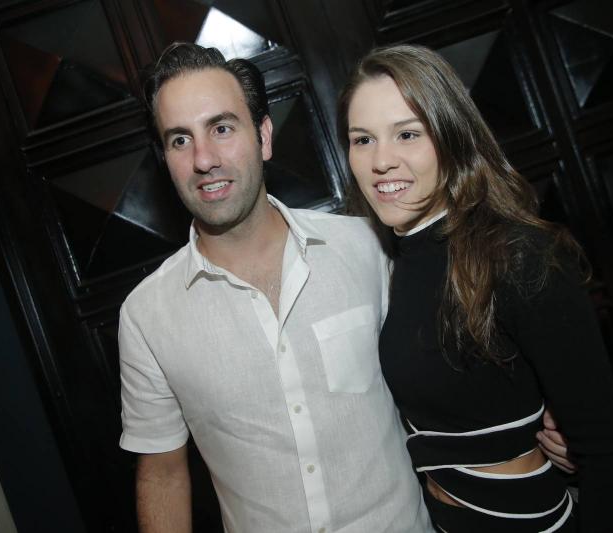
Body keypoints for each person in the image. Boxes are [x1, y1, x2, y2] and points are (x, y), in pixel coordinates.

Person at [118, 42, 432, 533]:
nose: (204, 159)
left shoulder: (365, 247)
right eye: (180, 140)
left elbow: (439, 379)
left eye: (222, 128)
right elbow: (163, 473)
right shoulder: (146, 317)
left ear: (263, 136)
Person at [338, 44, 613, 532]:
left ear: (451, 135)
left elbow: (606, 453)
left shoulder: (519, 256)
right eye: (362, 139)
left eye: (407, 134)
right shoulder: (384, 260)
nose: (381, 161)